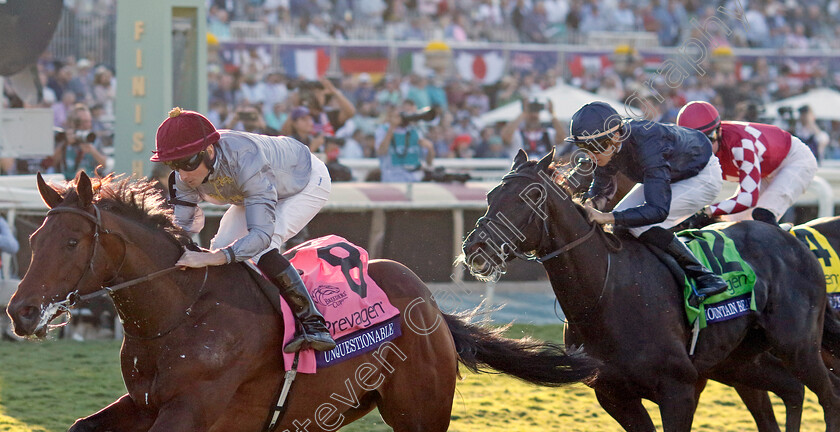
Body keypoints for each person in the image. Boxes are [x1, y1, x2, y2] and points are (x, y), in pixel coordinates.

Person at [150, 107, 336, 353]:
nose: (182, 174)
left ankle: (314, 324)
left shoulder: (245, 158)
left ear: (208, 150)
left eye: (187, 162)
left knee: (259, 249)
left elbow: (260, 236)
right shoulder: (181, 178)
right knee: (220, 246)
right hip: (256, 192)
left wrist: (214, 257)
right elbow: (183, 228)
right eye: (173, 164)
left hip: (305, 182)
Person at [569, 101, 727, 305]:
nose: (591, 155)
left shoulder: (648, 142)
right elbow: (602, 188)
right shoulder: (609, 144)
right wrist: (591, 206)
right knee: (622, 224)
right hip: (671, 174)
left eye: (594, 147)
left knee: (638, 222)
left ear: (616, 136)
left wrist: (607, 216)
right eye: (584, 148)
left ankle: (704, 276)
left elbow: (658, 211)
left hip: (702, 176)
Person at [676, 101, 818, 226]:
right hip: (764, 170)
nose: (702, 148)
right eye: (694, 143)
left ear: (719, 131)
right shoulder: (688, 153)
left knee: (762, 216)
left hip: (795, 160)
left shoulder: (740, 144)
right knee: (727, 224)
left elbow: (748, 198)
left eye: (708, 139)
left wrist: (707, 211)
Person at [375, 101, 436, 183]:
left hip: (415, 180)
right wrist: (392, 127)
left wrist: (430, 149)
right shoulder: (383, 129)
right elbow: (381, 151)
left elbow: (429, 163)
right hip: (392, 180)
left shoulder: (415, 131)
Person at [55, 103, 108, 180]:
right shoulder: (64, 138)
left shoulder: (93, 139)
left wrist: (93, 151)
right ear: (73, 123)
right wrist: (65, 145)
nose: (87, 125)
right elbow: (51, 162)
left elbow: (104, 164)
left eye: (89, 121)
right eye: (83, 122)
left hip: (90, 184)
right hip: (68, 184)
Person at [500, 97, 566, 157]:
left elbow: (562, 138)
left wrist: (552, 114)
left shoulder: (548, 133)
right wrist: (523, 112)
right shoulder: (517, 134)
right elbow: (505, 137)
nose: (533, 115)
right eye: (531, 112)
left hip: (543, 168)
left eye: (536, 112)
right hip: (523, 168)